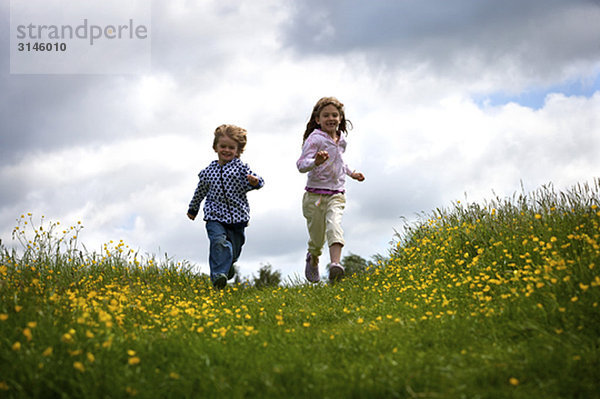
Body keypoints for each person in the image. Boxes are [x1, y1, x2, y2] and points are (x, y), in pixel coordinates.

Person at [296, 97, 365, 283]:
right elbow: (301, 165)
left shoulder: (341, 140)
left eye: (335, 115)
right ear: (318, 119)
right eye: (326, 115)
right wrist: (315, 162)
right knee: (317, 239)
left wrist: (352, 173)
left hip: (336, 193)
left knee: (335, 225)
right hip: (315, 196)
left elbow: (340, 162)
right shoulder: (315, 139)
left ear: (341, 118)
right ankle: (314, 257)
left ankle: (335, 265)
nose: (331, 118)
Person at [187, 124, 264, 289]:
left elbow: (257, 181)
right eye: (223, 146)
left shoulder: (241, 169)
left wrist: (255, 182)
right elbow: (199, 192)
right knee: (218, 242)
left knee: (233, 252)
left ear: (237, 151)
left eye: (231, 148)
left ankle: (227, 266)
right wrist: (193, 208)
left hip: (238, 219)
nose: (226, 150)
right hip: (214, 217)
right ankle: (218, 278)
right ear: (215, 147)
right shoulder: (208, 172)